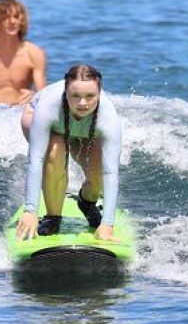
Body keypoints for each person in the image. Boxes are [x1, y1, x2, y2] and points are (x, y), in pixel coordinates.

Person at [16, 64, 122, 241]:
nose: (83, 103)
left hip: (87, 128)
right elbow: (35, 160)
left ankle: (87, 202)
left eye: (90, 96)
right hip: (46, 122)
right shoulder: (48, 106)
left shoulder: (109, 117)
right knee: (55, 150)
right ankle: (53, 218)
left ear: (100, 93)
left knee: (98, 172)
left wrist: (107, 224)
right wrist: (30, 210)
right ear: (66, 93)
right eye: (75, 96)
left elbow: (111, 172)